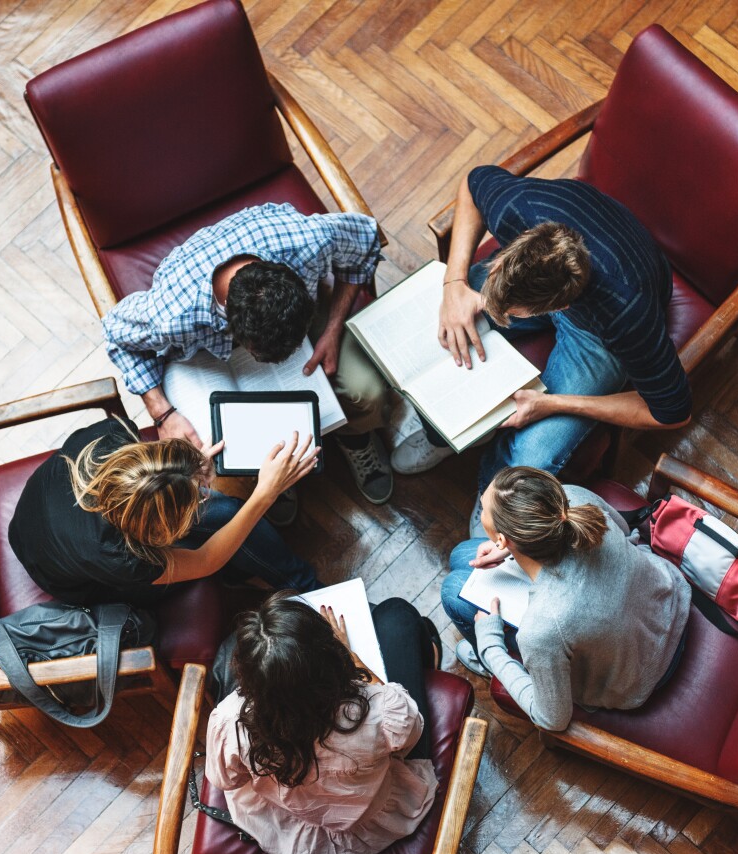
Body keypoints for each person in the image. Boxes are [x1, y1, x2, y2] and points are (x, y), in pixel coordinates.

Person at [392, 166, 692, 532]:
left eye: (509, 314)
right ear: (503, 257)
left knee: (532, 454)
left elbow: (672, 412)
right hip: (571, 270)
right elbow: (472, 184)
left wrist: (554, 403)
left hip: (597, 333)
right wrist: (455, 282)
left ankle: (491, 494)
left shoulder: (627, 315)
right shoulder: (517, 207)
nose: (493, 310)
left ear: (556, 310)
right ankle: (443, 437)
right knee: (439, 336)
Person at [102, 202, 394, 508]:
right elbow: (115, 333)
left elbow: (366, 239)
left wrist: (332, 329)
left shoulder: (308, 241)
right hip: (200, 356)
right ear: (229, 326)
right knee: (221, 453)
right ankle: (267, 480)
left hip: (294, 314)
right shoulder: (171, 314)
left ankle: (356, 437)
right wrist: (162, 413)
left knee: (367, 392)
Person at [441, 466, 691, 730]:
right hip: (668, 597)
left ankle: (490, 661)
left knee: (453, 593)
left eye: (483, 508)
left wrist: (490, 646)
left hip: (638, 678)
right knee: (461, 556)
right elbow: (623, 530)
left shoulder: (542, 629)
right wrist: (512, 549)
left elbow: (553, 719)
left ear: (502, 538)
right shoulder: (572, 500)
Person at [205, 593, 440, 854]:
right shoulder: (378, 710)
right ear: (331, 660)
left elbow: (226, 781)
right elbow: (410, 736)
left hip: (289, 828)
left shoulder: (229, 721)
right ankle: (431, 650)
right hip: (374, 822)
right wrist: (355, 660)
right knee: (396, 613)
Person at [9, 417, 320, 607]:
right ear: (157, 532)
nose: (203, 490)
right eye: (195, 499)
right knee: (225, 520)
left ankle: (294, 582)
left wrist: (187, 469)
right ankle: (305, 589)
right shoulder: (121, 557)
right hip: (74, 579)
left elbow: (152, 473)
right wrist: (264, 494)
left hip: (35, 521)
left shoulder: (110, 436)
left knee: (225, 511)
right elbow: (206, 560)